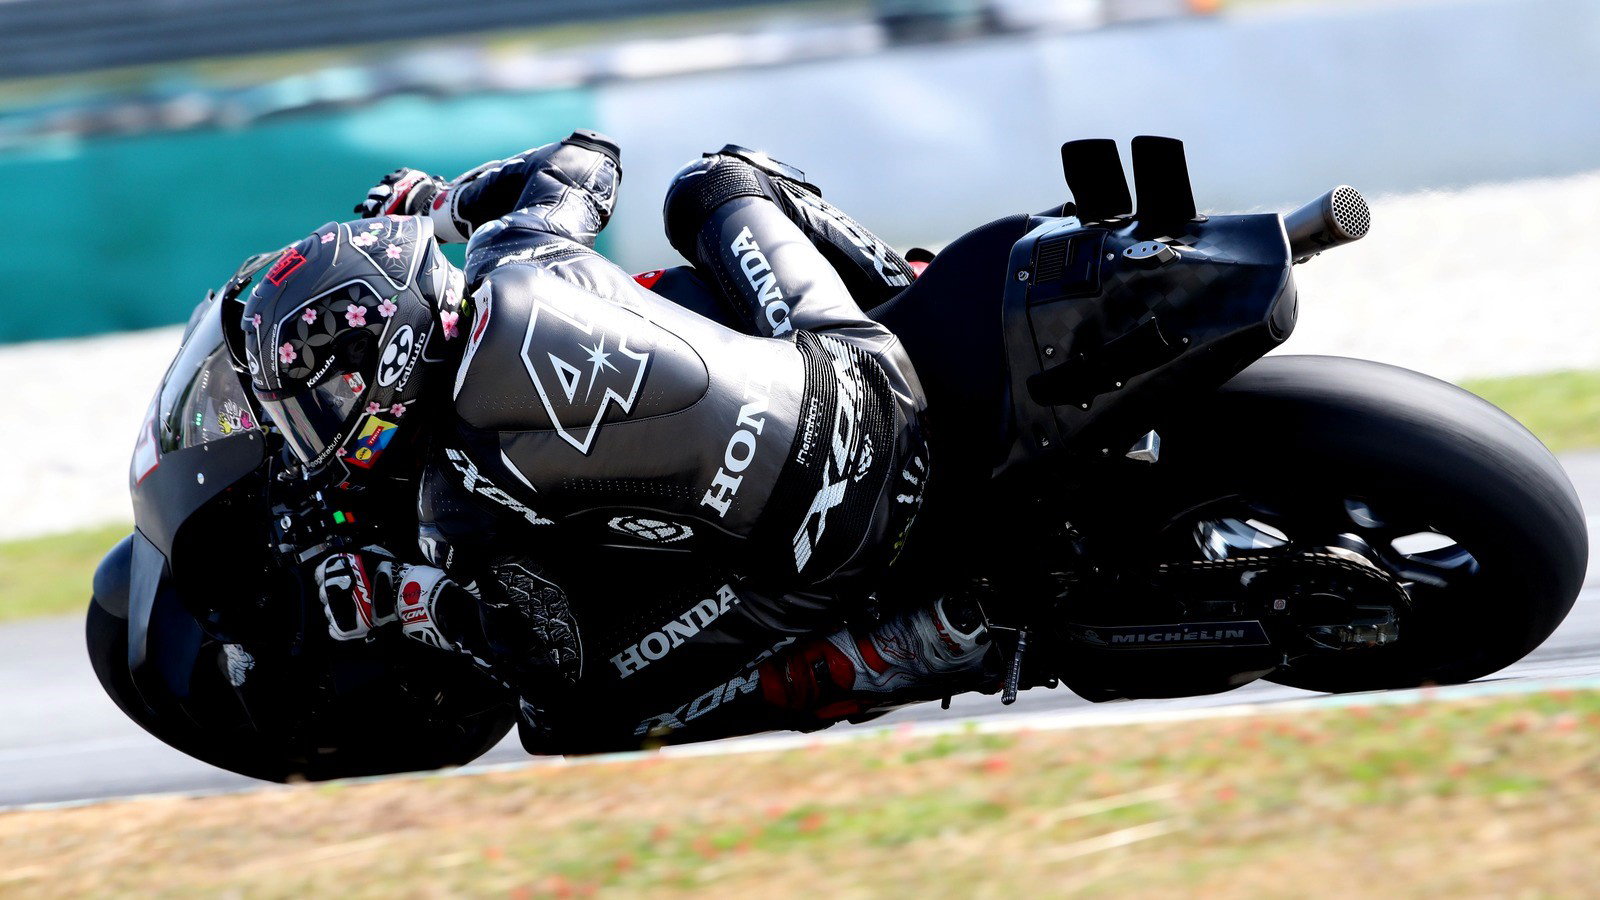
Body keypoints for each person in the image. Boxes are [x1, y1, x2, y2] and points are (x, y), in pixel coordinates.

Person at [231, 131, 996, 748]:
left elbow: (545, 658)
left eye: (328, 397)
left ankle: (889, 652)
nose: (322, 427)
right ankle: (906, 295)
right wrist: (441, 206)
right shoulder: (519, 245)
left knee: (563, 721)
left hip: (820, 552)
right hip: (866, 372)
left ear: (387, 351)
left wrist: (408, 601)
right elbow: (586, 157)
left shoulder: (453, 506)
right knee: (718, 182)